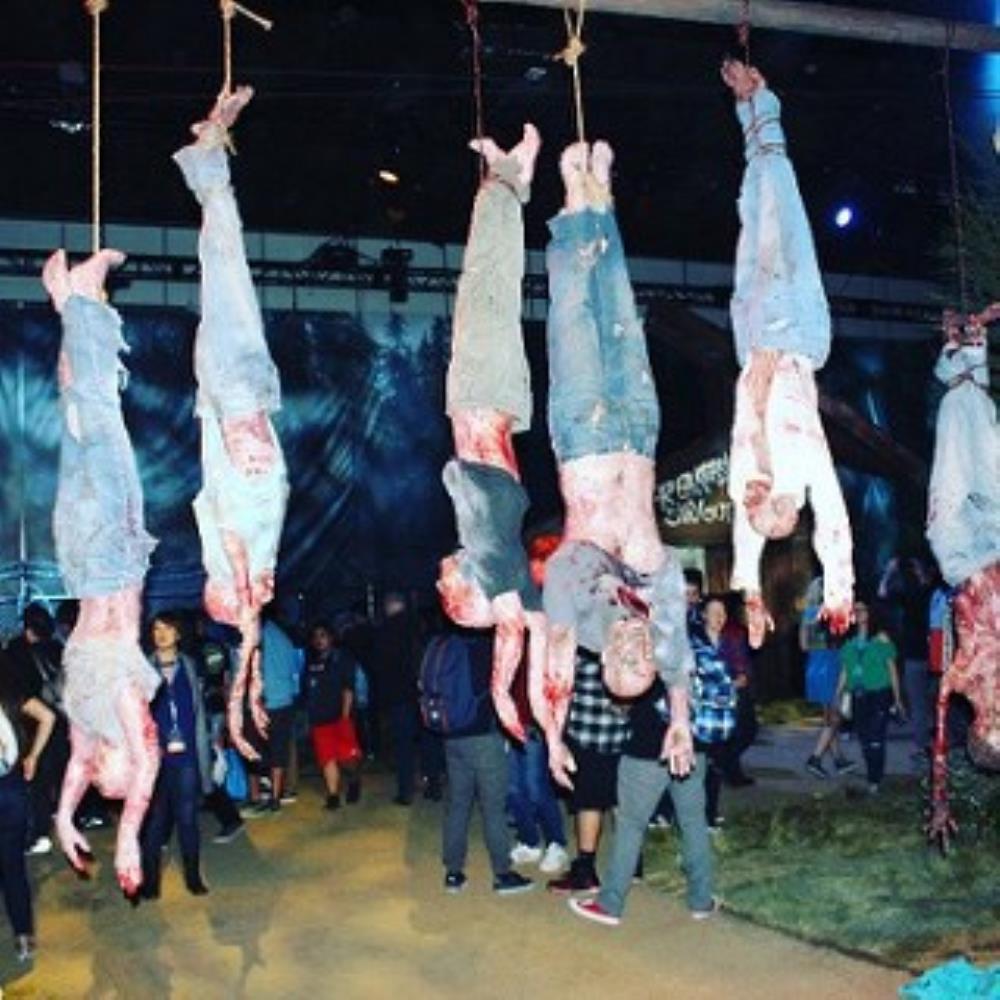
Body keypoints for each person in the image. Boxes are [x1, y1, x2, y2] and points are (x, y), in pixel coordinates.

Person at [721, 59, 854, 647]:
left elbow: (746, 540)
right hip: (795, 333)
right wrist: (839, 592)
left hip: (753, 335)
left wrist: (749, 594)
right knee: (783, 218)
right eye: (764, 504)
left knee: (753, 218)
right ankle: (765, 104)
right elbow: (835, 521)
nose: (751, 499)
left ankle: (748, 114)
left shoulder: (744, 483)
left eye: (751, 508)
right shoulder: (804, 473)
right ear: (783, 502)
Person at [41, 246, 161, 897]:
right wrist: (63, 816)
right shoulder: (87, 719)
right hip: (79, 556)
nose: (105, 778)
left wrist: (128, 837)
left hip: (110, 556)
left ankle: (82, 299)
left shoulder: (114, 707)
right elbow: (80, 766)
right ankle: (68, 304)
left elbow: (143, 762)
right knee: (81, 426)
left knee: (103, 425)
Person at [175, 85, 289, 763]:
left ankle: (208, 153)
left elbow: (246, 628)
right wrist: (247, 704)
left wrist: (243, 708)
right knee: (231, 269)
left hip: (226, 393)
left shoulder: (225, 547)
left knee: (225, 268)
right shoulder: (260, 551)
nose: (257, 598)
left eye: (240, 599)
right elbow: (249, 640)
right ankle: (208, 154)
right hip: (253, 397)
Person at [435, 124, 547, 741]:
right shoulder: (494, 558)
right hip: (488, 392)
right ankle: (511, 175)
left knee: (486, 286)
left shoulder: (502, 564)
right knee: (485, 284)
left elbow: (528, 625)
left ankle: (507, 180)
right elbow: (512, 624)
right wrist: (505, 693)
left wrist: (527, 704)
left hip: (480, 396)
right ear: (476, 588)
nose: (440, 581)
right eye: (449, 592)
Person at [568, 671, 716, 926]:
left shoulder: (644, 649)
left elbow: (623, 699)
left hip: (646, 749)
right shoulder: (690, 648)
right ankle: (701, 900)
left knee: (630, 825)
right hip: (691, 746)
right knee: (693, 822)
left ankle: (610, 903)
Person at [440, 627, 533, 896]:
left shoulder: (445, 643)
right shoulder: (484, 647)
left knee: (458, 805)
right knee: (493, 808)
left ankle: (453, 872)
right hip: (483, 737)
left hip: (452, 736)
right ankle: (502, 873)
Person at [140, 611, 213, 898]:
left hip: (187, 756)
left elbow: (199, 711)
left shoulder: (190, 667)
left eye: (168, 628)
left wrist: (209, 745)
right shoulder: (142, 670)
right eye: (157, 629)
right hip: (154, 758)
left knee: (187, 818)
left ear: (178, 634)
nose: (161, 634)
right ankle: (150, 881)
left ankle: (193, 877)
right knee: (156, 820)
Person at [0, 649, 55, 961]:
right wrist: (31, 756)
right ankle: (23, 937)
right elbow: (48, 716)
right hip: (11, 789)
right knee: (13, 866)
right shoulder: (9, 691)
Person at [5, 603, 68, 855]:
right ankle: (52, 822)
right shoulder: (57, 649)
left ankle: (37, 834)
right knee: (50, 777)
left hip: (28, 724)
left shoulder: (14, 652)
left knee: (34, 783)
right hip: (58, 720)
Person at [506, 652, 569, 875]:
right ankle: (529, 839)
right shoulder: (509, 641)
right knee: (512, 788)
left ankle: (556, 842)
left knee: (536, 788)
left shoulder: (543, 642)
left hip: (537, 725)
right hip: (512, 724)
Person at [835, 602, 904, 794]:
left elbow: (892, 670)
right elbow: (844, 671)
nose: (859, 613)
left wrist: (897, 699)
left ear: (871, 612)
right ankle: (873, 776)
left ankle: (875, 780)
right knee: (864, 739)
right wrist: (837, 694)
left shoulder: (881, 638)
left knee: (876, 738)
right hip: (857, 694)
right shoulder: (849, 641)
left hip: (879, 694)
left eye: (863, 609)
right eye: (855, 610)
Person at [303, 621, 362, 810]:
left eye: (323, 635)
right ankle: (333, 796)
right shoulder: (311, 661)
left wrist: (345, 717)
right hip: (319, 719)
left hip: (340, 717)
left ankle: (354, 780)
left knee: (346, 759)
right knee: (327, 758)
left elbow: (348, 689)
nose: (319, 640)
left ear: (331, 637)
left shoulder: (342, 658)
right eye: (315, 636)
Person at [801, 576, 856, 779]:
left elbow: (803, 645)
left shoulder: (808, 614)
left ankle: (839, 760)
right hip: (831, 666)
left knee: (829, 717)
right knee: (835, 718)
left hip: (814, 666)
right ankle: (815, 758)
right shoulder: (833, 614)